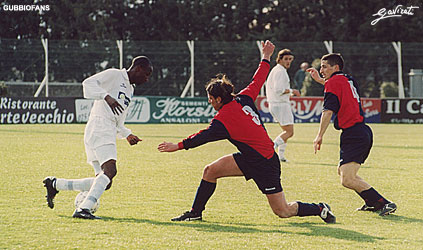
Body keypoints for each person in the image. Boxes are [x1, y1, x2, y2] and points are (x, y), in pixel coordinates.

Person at [158, 41, 335, 224]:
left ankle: (319, 208)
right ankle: (195, 213)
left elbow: (202, 137)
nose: (210, 102)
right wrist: (266, 56)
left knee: (283, 211)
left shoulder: (223, 118)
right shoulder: (245, 97)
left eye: (211, 99)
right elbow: (258, 78)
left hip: (265, 163)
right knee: (210, 171)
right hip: (249, 157)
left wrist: (177, 146)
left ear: (219, 99)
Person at [43, 56, 153, 219]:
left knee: (105, 182)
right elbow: (88, 83)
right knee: (110, 171)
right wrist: (105, 96)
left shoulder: (130, 90)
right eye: (147, 74)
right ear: (138, 69)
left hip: (104, 129)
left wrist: (127, 134)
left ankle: (55, 184)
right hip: (100, 126)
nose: (147, 79)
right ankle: (83, 209)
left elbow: (118, 119)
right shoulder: (116, 75)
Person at [307, 53, 397, 216]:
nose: (321, 70)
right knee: (343, 173)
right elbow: (335, 87)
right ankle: (372, 203)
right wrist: (321, 81)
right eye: (321, 67)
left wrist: (319, 135)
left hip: (354, 134)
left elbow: (327, 111)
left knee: (347, 179)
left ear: (335, 67)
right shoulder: (348, 79)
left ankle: (385, 203)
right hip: (359, 132)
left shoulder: (333, 82)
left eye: (325, 67)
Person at [265, 49, 300, 162]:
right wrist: (293, 91)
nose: (288, 61)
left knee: (286, 131)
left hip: (276, 103)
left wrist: (290, 92)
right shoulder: (280, 71)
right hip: (280, 104)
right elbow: (278, 89)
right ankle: (271, 149)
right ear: (279, 60)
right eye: (286, 59)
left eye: (290, 59)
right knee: (289, 132)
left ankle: (281, 156)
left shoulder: (277, 70)